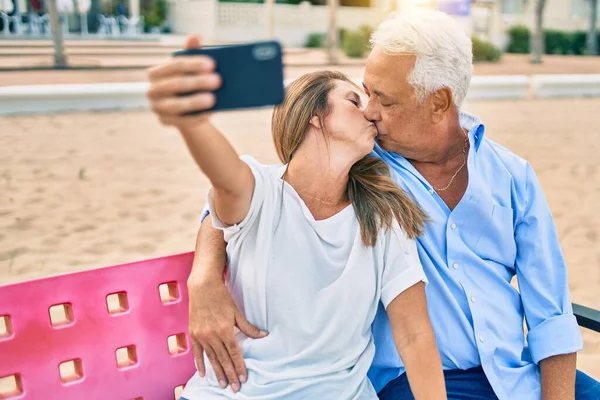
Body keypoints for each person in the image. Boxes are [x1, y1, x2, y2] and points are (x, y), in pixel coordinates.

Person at [185, 9, 600, 400]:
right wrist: (203, 278)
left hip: (514, 372)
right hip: (414, 380)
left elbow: (551, 311)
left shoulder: (512, 175)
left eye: (385, 99)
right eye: (364, 95)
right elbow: (252, 195)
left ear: (438, 102)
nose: (370, 111)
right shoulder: (363, 165)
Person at [146, 36, 447, 399]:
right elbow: (223, 176)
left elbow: (414, 335)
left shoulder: (382, 217)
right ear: (315, 118)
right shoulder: (261, 193)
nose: (370, 112)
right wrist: (193, 124)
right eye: (354, 101)